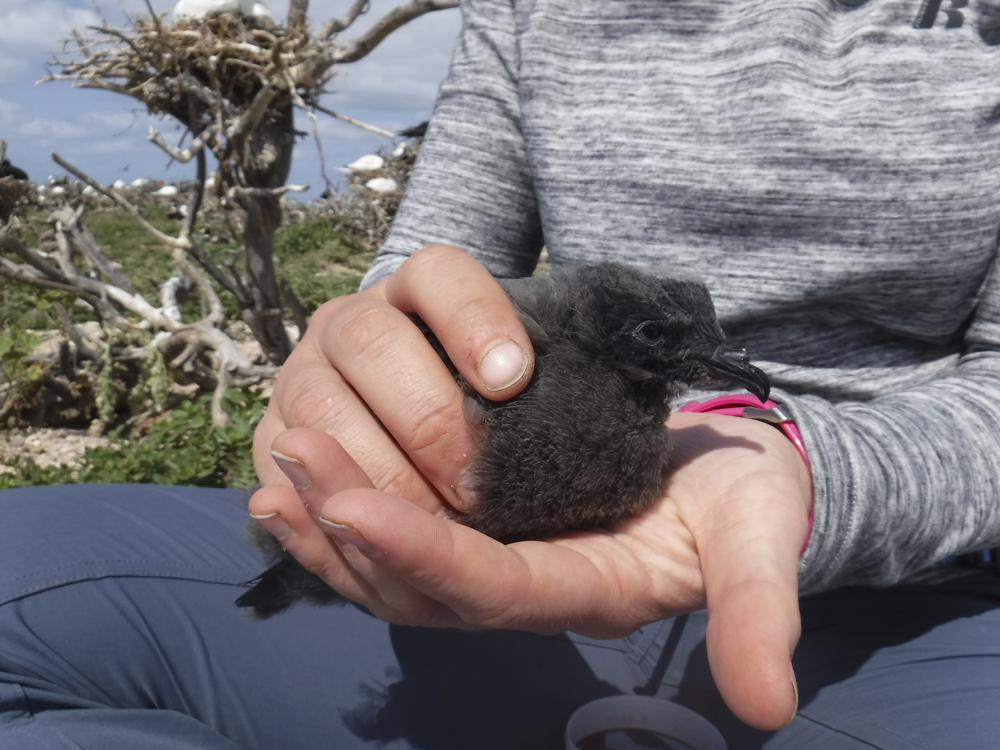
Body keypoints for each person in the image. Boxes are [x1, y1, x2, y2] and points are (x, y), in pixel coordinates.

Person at [3, 0, 1000, 747]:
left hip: (903, 603)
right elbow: (424, 276)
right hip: (506, 547)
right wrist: (367, 380)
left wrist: (803, 470)